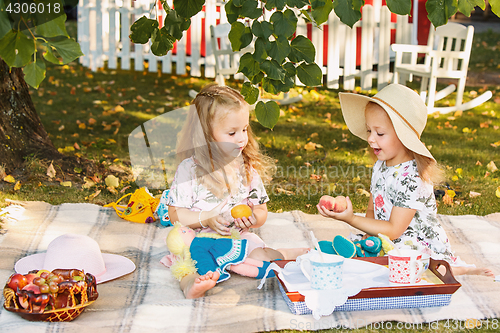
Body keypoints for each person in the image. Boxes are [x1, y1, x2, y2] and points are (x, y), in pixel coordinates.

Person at [317, 83, 494, 278]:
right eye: (369, 131)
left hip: (413, 243)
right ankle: (361, 251)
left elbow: (394, 230)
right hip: (386, 237)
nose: (370, 139)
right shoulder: (381, 165)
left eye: (380, 133)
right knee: (363, 257)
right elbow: (372, 209)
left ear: (403, 136)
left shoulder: (412, 177)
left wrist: (351, 219)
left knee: (399, 266)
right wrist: (368, 235)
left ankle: (456, 268)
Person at [159, 84, 308, 298]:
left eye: (245, 129)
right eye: (232, 132)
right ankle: (192, 285)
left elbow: (261, 210)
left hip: (237, 236)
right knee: (186, 260)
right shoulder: (189, 169)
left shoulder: (246, 169)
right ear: (205, 134)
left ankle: (285, 254)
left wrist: (253, 218)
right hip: (198, 237)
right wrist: (206, 218)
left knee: (260, 255)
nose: (241, 138)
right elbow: (175, 215)